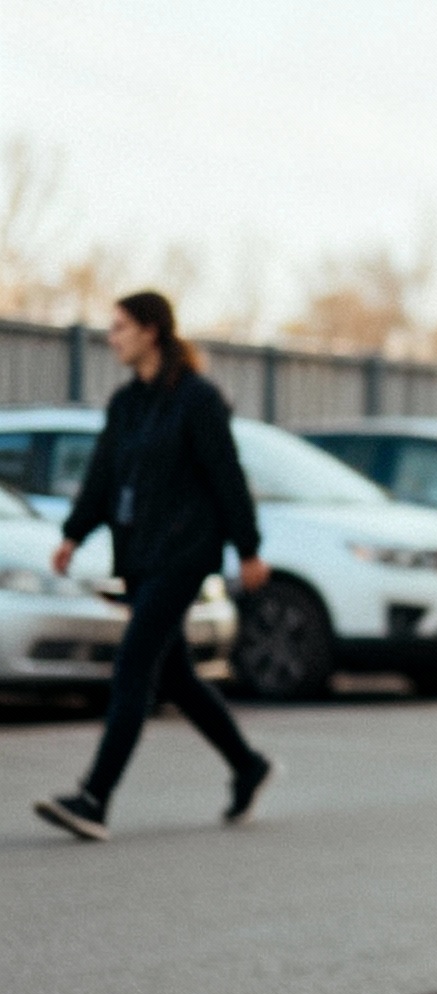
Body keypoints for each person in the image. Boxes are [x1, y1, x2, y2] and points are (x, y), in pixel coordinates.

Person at [34, 292, 274, 841]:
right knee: (177, 676)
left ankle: (95, 798)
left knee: (134, 666)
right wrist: (73, 533)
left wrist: (249, 547)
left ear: (151, 331)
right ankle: (247, 765)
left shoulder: (197, 400)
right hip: (139, 554)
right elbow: (102, 476)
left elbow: (226, 475)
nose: (112, 337)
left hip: (185, 552)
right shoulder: (126, 404)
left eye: (120, 327)